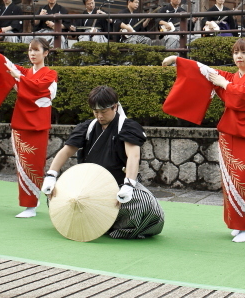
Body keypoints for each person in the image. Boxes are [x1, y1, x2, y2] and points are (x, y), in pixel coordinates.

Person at [162, 38, 245, 243]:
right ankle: (236, 224)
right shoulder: (231, 77)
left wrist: (225, 85)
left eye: (244, 52)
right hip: (228, 134)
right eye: (236, 52)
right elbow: (204, 71)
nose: (239, 56)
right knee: (229, 181)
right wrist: (177, 59)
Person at [42, 85, 164, 239]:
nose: (99, 116)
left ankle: (111, 226)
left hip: (118, 188)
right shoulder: (87, 127)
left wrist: (129, 185)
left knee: (145, 203)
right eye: (95, 112)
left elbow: (133, 156)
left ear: (115, 107)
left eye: (103, 111)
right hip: (86, 187)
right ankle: (91, 220)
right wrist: (51, 175)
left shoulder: (127, 127)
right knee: (56, 193)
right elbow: (66, 151)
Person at [0, 33, 57, 218]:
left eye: (36, 50)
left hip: (37, 125)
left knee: (34, 164)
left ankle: (32, 205)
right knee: (22, 166)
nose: (32, 53)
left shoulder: (50, 74)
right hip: (20, 123)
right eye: (30, 50)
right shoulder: (25, 72)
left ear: (45, 53)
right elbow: (4, 63)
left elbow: (41, 91)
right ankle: (29, 204)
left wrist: (19, 78)